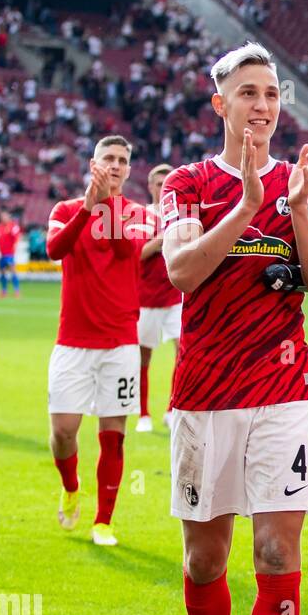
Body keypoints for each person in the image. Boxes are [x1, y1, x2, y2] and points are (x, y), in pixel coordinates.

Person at [161, 42, 308, 615]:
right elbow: (181, 270)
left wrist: (295, 209)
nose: (263, 106)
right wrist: (245, 207)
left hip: (284, 393)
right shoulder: (186, 182)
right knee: (206, 559)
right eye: (247, 93)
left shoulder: (307, 186)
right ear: (220, 103)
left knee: (276, 550)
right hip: (204, 393)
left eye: (271, 93)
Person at [46, 136, 150, 545]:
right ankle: (71, 486)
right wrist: (90, 207)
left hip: (120, 341)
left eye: (123, 160)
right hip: (73, 340)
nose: (116, 165)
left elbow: (128, 253)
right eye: (108, 158)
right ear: (93, 162)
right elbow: (56, 249)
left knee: (113, 433)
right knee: (64, 431)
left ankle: (104, 520)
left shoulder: (138, 213)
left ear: (128, 169)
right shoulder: (66, 209)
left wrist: (106, 204)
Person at [136, 163, 180, 433]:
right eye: (158, 182)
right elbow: (137, 254)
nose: (163, 187)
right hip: (145, 298)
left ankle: (171, 409)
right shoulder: (139, 215)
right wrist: (162, 238)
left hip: (175, 296)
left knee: (183, 353)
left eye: (167, 182)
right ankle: (143, 414)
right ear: (150, 186)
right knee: (143, 357)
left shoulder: (181, 214)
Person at [0, 208, 22, 298]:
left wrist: (14, 250)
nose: (3, 218)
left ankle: (17, 290)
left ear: (8, 217)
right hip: (1, 254)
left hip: (9, 254)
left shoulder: (13, 226)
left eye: (4, 216)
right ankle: (4, 290)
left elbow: (17, 239)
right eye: (2, 216)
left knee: (12, 271)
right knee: (2, 272)